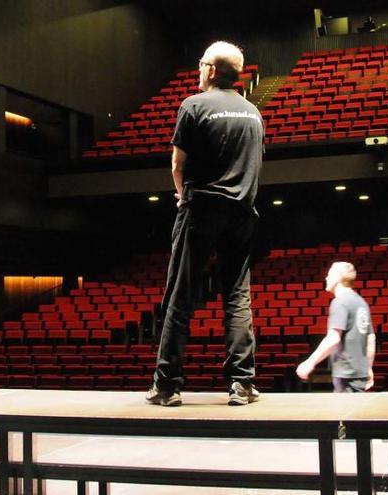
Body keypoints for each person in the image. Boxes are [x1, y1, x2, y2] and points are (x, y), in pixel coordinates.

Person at [147, 41, 264, 407]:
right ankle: (242, 384)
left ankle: (167, 386)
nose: (198, 70)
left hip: (202, 210)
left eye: (200, 65)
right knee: (237, 295)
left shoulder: (193, 105)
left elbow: (177, 166)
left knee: (180, 295)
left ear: (212, 70)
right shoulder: (254, 112)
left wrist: (182, 196)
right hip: (242, 212)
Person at [296, 262, 376, 392]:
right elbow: (371, 339)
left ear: (338, 277)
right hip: (359, 374)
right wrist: (368, 368)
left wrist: (310, 362)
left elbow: (333, 338)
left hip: (346, 372)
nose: (326, 278)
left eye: (329, 274)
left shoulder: (340, 302)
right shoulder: (362, 303)